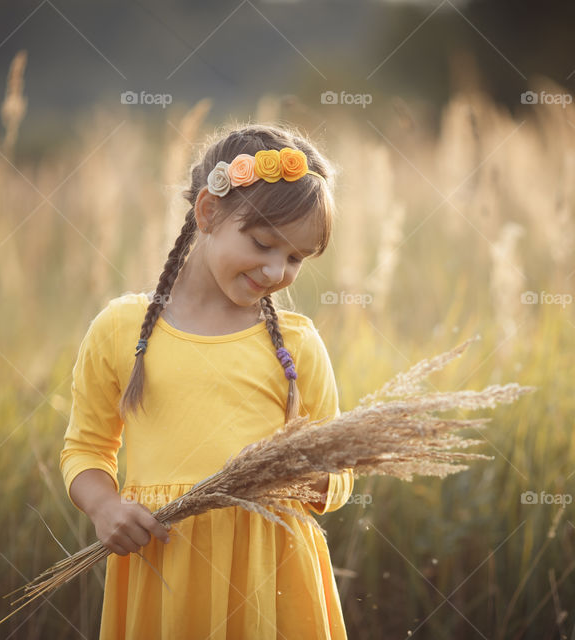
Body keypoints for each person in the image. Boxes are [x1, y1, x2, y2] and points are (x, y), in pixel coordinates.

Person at [60, 123, 355, 639]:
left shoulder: (298, 345)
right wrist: (105, 507)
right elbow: (85, 450)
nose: (275, 271)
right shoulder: (120, 330)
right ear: (208, 213)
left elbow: (341, 474)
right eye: (263, 243)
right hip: (165, 565)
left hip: (272, 575)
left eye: (295, 259)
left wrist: (299, 476)